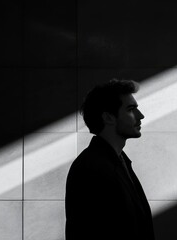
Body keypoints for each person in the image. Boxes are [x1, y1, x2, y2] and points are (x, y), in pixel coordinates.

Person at [65, 79, 155, 240]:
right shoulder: (90, 168)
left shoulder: (117, 161)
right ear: (108, 117)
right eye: (130, 109)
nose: (140, 116)